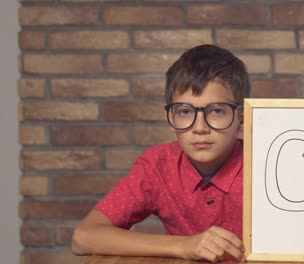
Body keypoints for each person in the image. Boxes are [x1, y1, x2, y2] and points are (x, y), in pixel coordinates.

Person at [72, 44, 250, 263]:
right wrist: (185, 245)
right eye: (185, 112)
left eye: (216, 111)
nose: (200, 127)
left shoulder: (264, 163)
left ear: (241, 118)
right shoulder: (158, 166)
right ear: (171, 120)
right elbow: (83, 237)